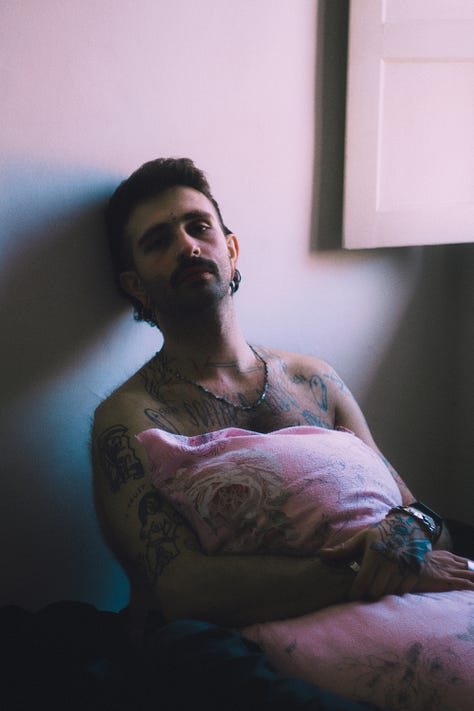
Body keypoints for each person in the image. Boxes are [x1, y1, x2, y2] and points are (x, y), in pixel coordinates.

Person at [92, 158, 474, 710]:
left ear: (231, 249)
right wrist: (369, 570)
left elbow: (423, 521)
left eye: (199, 227)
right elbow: (181, 589)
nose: (188, 246)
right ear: (135, 284)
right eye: (158, 241)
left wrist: (411, 531)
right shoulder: (130, 419)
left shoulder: (315, 379)